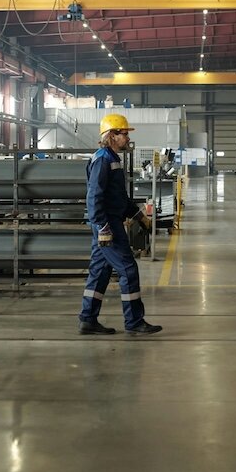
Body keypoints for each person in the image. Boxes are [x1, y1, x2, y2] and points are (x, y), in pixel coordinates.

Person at [78, 114, 162, 336]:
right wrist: (102, 226)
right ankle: (134, 321)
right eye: (124, 134)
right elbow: (94, 195)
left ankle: (87, 320)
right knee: (128, 269)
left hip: (109, 222)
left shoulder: (113, 158)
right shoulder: (103, 159)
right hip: (108, 225)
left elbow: (119, 197)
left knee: (100, 271)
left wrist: (138, 215)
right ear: (112, 135)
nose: (127, 138)